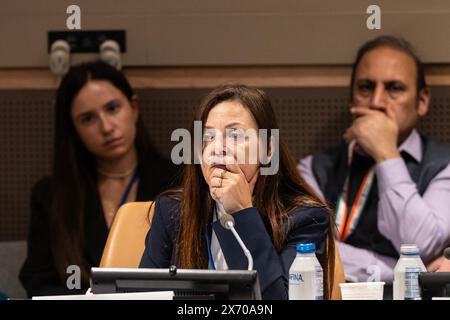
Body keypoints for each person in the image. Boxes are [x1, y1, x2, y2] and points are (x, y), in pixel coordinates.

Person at [139, 84, 338, 299]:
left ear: (268, 150)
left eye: (235, 135)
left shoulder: (304, 218)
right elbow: (143, 295)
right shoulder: (173, 211)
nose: (217, 148)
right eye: (207, 137)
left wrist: (242, 213)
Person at [298, 35, 450, 288]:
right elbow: (308, 252)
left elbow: (421, 243)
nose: (377, 102)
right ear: (352, 99)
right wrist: (410, 271)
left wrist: (385, 153)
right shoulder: (313, 169)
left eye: (394, 88)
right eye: (366, 87)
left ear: (421, 102)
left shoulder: (444, 165)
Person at [20, 61, 180, 297]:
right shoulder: (50, 195)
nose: (106, 127)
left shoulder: (178, 181)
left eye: (113, 108)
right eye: (88, 119)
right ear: (74, 130)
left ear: (133, 108)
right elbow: (39, 281)